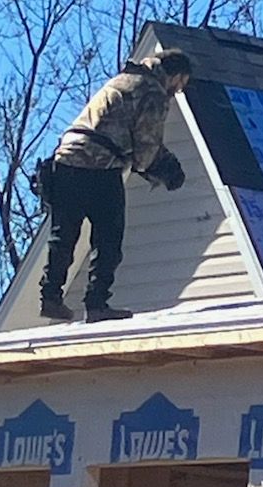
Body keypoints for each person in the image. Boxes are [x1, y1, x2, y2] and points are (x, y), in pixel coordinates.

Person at [38, 49, 193, 323]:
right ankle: (97, 304)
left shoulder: (122, 79)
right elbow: (146, 150)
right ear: (176, 75)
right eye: (181, 84)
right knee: (108, 239)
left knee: (63, 235)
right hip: (101, 165)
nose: (178, 91)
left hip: (64, 160)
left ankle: (50, 297)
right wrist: (168, 170)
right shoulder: (153, 91)